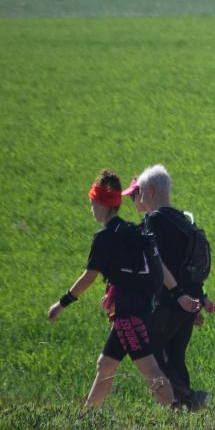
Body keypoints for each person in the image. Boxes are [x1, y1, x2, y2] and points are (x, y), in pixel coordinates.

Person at [46, 169, 175, 408]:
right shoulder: (131, 230)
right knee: (105, 364)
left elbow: (89, 276)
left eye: (92, 203)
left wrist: (61, 304)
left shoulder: (105, 236)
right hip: (136, 309)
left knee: (150, 371)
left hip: (129, 315)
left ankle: (178, 417)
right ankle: (87, 419)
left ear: (103, 205)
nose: (91, 208)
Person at [133, 165, 215, 411]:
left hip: (168, 300)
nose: (138, 197)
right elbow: (190, 265)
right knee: (175, 356)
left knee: (151, 354)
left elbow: (155, 261)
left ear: (149, 191)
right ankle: (182, 414)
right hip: (190, 300)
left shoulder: (153, 221)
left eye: (140, 191)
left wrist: (178, 295)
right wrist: (198, 299)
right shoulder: (184, 220)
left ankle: (190, 398)